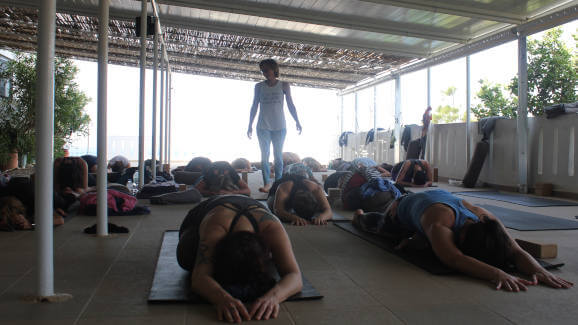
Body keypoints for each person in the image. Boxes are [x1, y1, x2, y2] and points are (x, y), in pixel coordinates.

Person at [352, 189, 574, 292]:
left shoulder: (487, 219)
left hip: (434, 201)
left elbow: (513, 249)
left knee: (422, 244)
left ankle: (418, 238)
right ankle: (360, 214)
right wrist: (497, 273)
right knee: (376, 226)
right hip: (401, 209)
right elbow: (455, 259)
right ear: (463, 237)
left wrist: (538, 269)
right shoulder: (439, 222)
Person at [177, 195, 302, 322]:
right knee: (186, 259)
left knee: (272, 267)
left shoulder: (272, 227)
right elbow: (199, 278)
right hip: (199, 217)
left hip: (249, 206)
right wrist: (221, 298)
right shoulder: (214, 228)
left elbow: (295, 275)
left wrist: (274, 297)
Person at [247, 59, 302, 194]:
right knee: (264, 156)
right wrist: (250, 125)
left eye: (266, 70)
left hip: (280, 126)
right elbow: (254, 106)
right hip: (263, 126)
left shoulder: (284, 85)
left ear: (274, 69)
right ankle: (267, 183)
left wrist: (297, 121)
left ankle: (278, 183)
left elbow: (290, 104)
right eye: (262, 71)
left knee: (278, 156)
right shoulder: (259, 86)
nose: (264, 73)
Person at [267, 173, 332, 226]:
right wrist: (293, 217)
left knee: (321, 209)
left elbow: (328, 210)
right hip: (276, 191)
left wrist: (322, 217)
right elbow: (278, 210)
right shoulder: (284, 187)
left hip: (301, 182)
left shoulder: (316, 188)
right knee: (273, 209)